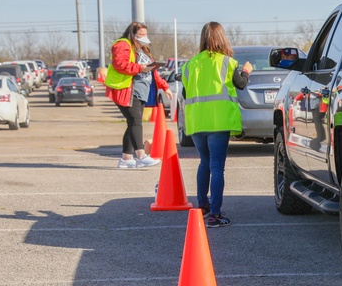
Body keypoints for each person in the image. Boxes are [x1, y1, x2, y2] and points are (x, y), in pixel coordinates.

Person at [180, 21, 253, 228]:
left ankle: (203, 206)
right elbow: (241, 84)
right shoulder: (227, 63)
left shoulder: (189, 65)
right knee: (217, 167)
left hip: (196, 122)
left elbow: (186, 93)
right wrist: (247, 71)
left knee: (204, 163)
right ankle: (215, 214)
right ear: (222, 38)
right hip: (218, 122)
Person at [104, 22, 170, 169]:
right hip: (128, 89)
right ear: (132, 34)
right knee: (135, 121)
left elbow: (153, 72)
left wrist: (165, 86)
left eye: (145, 34)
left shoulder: (144, 50)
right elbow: (119, 64)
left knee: (132, 122)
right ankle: (141, 156)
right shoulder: (123, 45)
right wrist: (141, 68)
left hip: (142, 92)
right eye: (140, 34)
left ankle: (126, 158)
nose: (144, 37)